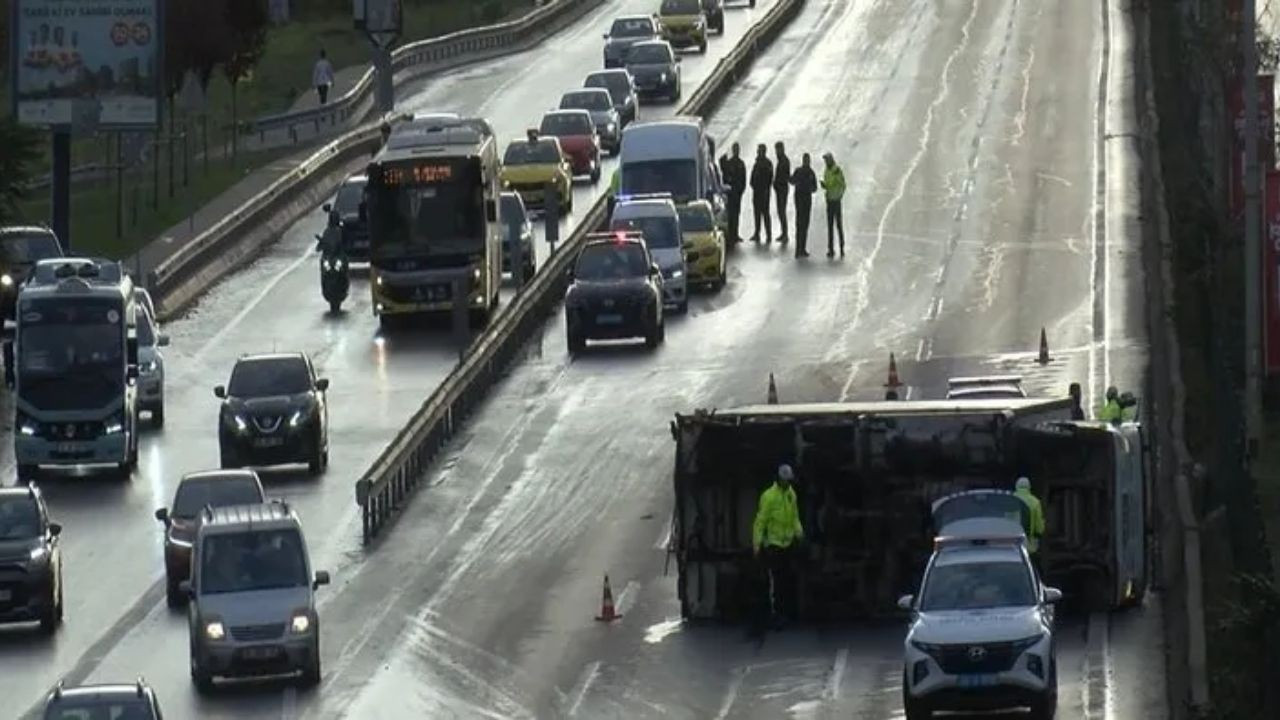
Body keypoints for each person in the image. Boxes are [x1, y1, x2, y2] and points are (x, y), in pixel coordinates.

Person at [752, 464, 805, 630]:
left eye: (790, 481)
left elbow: (795, 517)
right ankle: (776, 615)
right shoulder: (768, 497)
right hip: (774, 545)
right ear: (780, 480)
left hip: (787, 544)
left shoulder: (791, 495)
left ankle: (786, 613)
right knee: (777, 582)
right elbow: (760, 522)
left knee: (786, 580)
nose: (789, 484)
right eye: (786, 481)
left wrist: (800, 535)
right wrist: (757, 544)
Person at [1013, 477, 1045, 573]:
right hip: (1030, 546)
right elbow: (1039, 527)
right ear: (1029, 487)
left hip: (1012, 545)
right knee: (1032, 570)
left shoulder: (1011, 500)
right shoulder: (1035, 502)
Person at [790, 153, 817, 258]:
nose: (806, 162)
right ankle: (798, 249)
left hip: (806, 200)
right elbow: (792, 181)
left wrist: (810, 187)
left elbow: (815, 188)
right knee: (799, 225)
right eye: (805, 160)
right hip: (800, 200)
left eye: (807, 160)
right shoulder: (799, 171)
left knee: (805, 225)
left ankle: (802, 248)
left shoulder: (811, 173)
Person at [819, 152, 846, 257]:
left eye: (826, 160)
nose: (825, 162)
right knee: (830, 226)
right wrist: (825, 186)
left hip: (836, 201)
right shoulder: (827, 171)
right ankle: (830, 249)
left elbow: (843, 184)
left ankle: (841, 247)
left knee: (838, 225)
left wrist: (839, 195)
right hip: (829, 200)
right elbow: (829, 183)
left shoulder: (836, 170)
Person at [720, 144, 747, 244]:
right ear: (733, 150)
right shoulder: (729, 163)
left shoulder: (741, 163)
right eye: (735, 149)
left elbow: (744, 178)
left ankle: (735, 234)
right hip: (730, 194)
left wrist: (741, 190)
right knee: (731, 215)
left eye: (738, 149)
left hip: (737, 193)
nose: (736, 151)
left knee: (736, 214)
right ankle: (731, 234)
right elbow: (725, 178)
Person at [749, 144, 774, 244]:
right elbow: (752, 177)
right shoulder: (757, 163)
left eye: (760, 151)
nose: (758, 152)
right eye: (758, 150)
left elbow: (770, 179)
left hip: (764, 192)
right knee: (757, 214)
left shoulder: (767, 164)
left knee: (765, 214)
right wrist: (753, 185)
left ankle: (768, 234)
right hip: (756, 192)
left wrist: (765, 189)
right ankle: (757, 233)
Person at [773, 142, 791, 245]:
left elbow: (785, 176)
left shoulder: (784, 161)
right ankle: (783, 232)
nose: (777, 151)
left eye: (778, 149)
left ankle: (785, 233)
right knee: (780, 211)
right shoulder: (781, 160)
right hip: (779, 189)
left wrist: (778, 183)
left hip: (782, 189)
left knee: (782, 211)